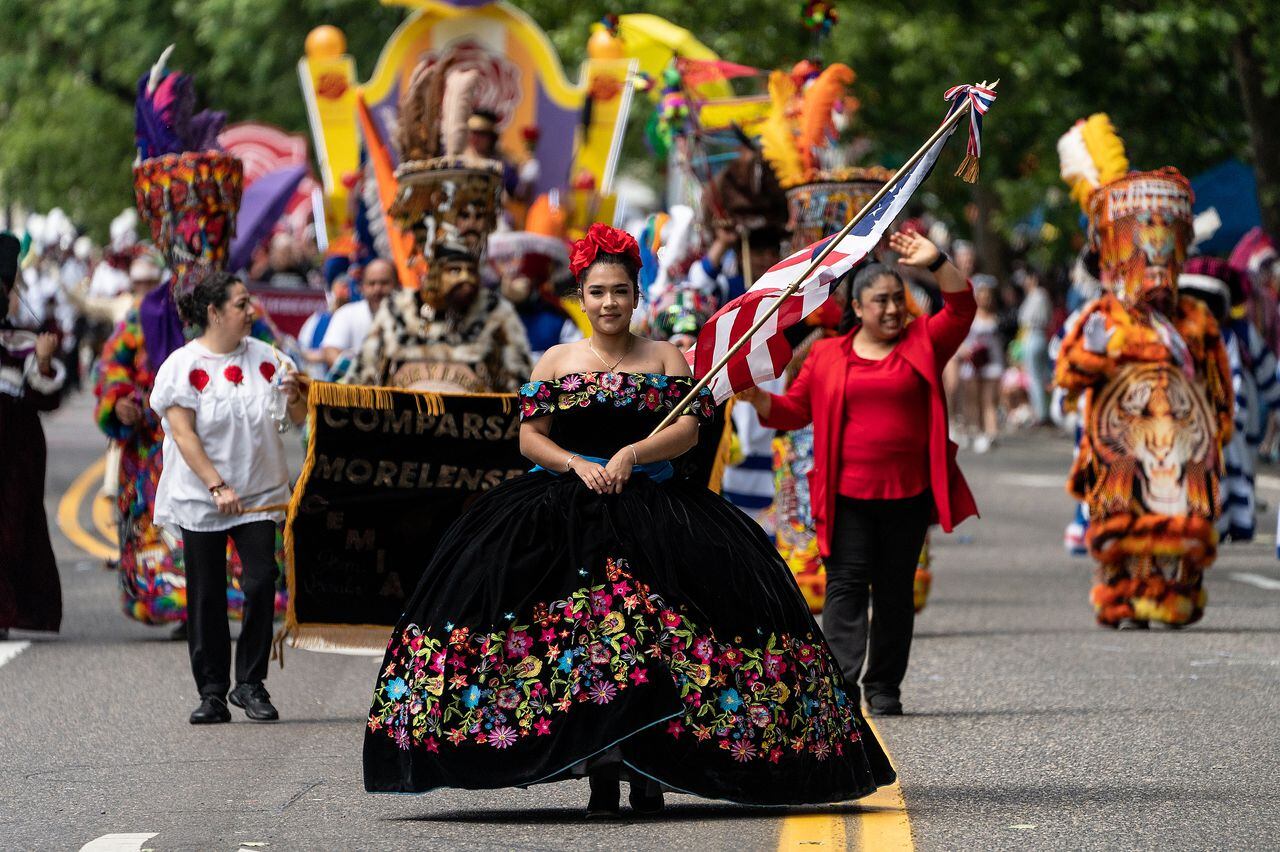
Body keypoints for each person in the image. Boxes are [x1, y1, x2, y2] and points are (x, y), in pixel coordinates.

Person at [364, 223, 894, 815]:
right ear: (581, 297)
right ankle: (599, 772)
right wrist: (575, 465)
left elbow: (688, 430)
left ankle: (651, 769)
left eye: (620, 291)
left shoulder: (666, 355)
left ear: (637, 295)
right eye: (597, 292)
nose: (609, 302)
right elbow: (528, 440)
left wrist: (633, 454)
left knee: (657, 632)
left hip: (657, 508)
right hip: (566, 508)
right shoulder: (556, 360)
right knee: (584, 636)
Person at [738, 230, 978, 715]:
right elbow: (795, 410)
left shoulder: (925, 341)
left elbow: (962, 308)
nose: (892, 310)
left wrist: (936, 261)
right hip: (845, 496)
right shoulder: (827, 355)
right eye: (881, 302)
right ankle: (840, 687)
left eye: (898, 300)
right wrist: (762, 400)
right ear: (859, 307)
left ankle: (885, 686)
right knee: (844, 587)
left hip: (908, 494)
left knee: (894, 591)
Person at [1055, 115, 1232, 628]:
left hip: (1183, 447)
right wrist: (1097, 358)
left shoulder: (1196, 319)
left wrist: (1214, 434)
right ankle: (1126, 597)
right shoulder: (1102, 318)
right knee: (1122, 528)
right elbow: (1067, 374)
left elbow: (1217, 388)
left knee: (1181, 528)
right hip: (1121, 446)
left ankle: (1172, 596)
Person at [150, 272, 306, 724]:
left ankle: (251, 684)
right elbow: (182, 433)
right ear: (214, 313)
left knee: (261, 581)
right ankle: (213, 692)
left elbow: (295, 418)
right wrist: (216, 485)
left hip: (258, 494)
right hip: (203, 498)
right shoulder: (181, 366)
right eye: (241, 304)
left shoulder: (271, 357)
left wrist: (296, 398)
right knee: (206, 595)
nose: (251, 311)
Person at [0, 231, 65, 638]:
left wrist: (42, 363)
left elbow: (46, 398)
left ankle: (6, 612)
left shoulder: (22, 342)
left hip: (13, 455)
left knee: (9, 529)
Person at [320, 259, 395, 370]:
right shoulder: (346, 313)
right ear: (362, 287)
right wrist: (357, 375)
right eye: (371, 283)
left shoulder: (408, 315)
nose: (377, 289)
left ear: (396, 285)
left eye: (384, 283)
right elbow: (330, 351)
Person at [956, 275, 1003, 453]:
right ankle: (975, 429)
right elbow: (960, 337)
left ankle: (991, 432)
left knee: (989, 399)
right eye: (981, 294)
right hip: (972, 363)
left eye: (987, 294)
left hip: (991, 362)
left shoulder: (999, 315)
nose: (985, 298)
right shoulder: (969, 315)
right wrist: (963, 351)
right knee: (973, 399)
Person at [1016, 267, 1053, 425]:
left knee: (1036, 377)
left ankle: (1041, 413)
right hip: (1036, 336)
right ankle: (1044, 410)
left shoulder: (1037, 295)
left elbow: (1027, 319)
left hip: (1034, 334)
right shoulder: (1036, 295)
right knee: (1042, 375)